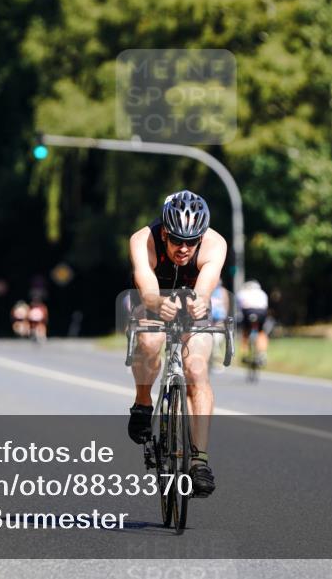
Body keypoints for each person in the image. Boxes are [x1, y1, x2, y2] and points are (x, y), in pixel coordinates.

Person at [127, 190, 227, 498]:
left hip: (192, 300)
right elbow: (146, 286)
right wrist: (158, 302)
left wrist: (199, 302)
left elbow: (206, 286)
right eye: (176, 241)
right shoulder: (143, 240)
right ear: (164, 232)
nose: (184, 249)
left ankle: (199, 461)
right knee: (148, 339)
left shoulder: (215, 243)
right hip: (155, 298)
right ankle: (143, 402)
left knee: (196, 369)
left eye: (191, 242)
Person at [237, 280, 270, 366]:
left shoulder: (242, 293)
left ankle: (244, 353)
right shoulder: (262, 293)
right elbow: (265, 306)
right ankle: (262, 354)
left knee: (245, 332)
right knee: (261, 332)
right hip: (261, 313)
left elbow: (239, 307)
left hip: (248, 312)